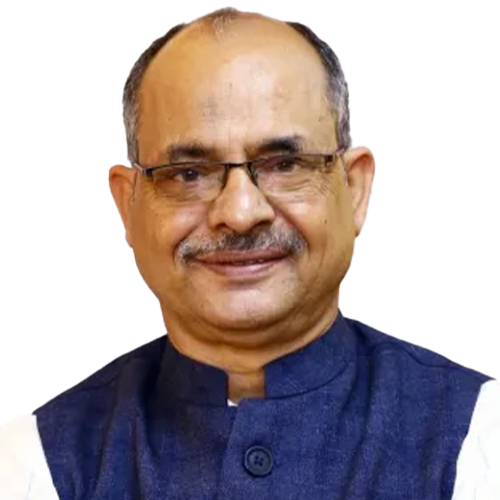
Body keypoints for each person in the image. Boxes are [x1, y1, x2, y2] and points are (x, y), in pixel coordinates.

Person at [0, 6, 498, 500]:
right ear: (127, 205)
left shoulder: (479, 440)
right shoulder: (39, 465)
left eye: (285, 164)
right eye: (189, 174)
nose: (240, 213)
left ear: (355, 189)